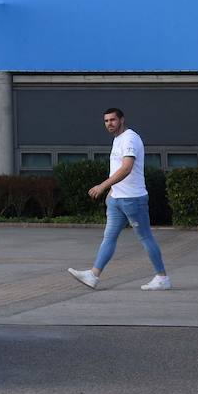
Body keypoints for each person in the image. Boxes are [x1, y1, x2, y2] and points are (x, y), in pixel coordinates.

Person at [67, 107, 171, 290]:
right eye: (106, 121)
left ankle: (162, 278)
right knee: (109, 238)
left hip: (133, 200)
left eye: (113, 120)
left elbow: (126, 168)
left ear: (122, 120)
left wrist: (103, 186)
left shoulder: (130, 138)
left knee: (146, 237)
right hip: (117, 200)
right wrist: (112, 192)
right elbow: (117, 169)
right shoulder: (118, 140)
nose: (109, 124)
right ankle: (93, 275)